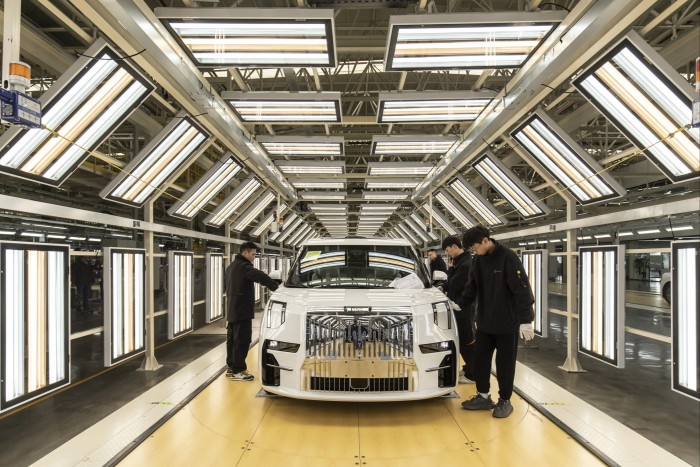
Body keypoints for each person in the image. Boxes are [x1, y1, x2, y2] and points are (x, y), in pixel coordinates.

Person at [458, 226, 535, 419]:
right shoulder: (477, 261)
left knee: (504, 364)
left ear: (485, 240)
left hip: (506, 323)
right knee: (480, 362)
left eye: (475, 247)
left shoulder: (508, 257)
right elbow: (471, 286)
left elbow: (522, 289)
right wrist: (459, 305)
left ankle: (505, 401)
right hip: (484, 323)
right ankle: (483, 396)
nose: (474, 252)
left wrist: (526, 320)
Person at [225, 242, 279, 381]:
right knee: (242, 340)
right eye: (253, 254)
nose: (254, 257)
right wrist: (278, 288)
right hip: (242, 310)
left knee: (232, 340)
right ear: (245, 253)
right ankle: (239, 371)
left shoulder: (231, 267)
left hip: (232, 309)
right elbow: (260, 276)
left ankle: (231, 367)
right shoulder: (244, 266)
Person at [440, 236, 476, 385]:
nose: (448, 254)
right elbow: (452, 282)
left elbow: (455, 283)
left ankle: (473, 374)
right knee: (463, 339)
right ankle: (469, 368)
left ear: (454, 246)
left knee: (467, 340)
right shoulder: (460, 261)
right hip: (459, 306)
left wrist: (449, 271)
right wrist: (443, 287)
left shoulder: (466, 264)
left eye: (448, 250)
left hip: (464, 308)